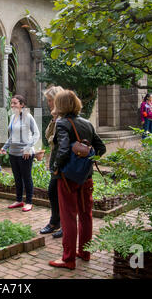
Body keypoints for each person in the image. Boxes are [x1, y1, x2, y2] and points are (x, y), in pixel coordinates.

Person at [48, 90, 106, 270]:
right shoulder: (87, 123)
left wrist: (56, 167)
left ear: (61, 105)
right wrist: (86, 158)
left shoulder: (62, 123)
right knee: (86, 216)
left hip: (66, 178)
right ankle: (85, 252)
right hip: (86, 177)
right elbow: (101, 148)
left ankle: (68, 259)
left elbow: (63, 149)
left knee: (68, 217)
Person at [0, 95, 40, 212]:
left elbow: (36, 134)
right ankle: (18, 200)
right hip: (13, 153)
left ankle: (29, 202)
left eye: (15, 103)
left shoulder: (28, 117)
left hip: (25, 154)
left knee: (26, 177)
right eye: (11, 103)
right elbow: (12, 136)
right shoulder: (13, 117)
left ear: (22, 104)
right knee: (17, 177)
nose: (12, 105)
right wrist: (5, 147)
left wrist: (28, 148)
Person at [39, 86, 65, 238]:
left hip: (61, 162)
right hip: (56, 160)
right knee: (54, 192)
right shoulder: (56, 117)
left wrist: (56, 164)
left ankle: (59, 223)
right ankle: (56, 222)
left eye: (50, 100)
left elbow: (59, 143)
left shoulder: (64, 118)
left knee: (57, 192)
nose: (48, 103)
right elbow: (49, 136)